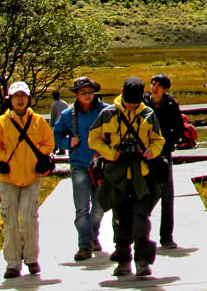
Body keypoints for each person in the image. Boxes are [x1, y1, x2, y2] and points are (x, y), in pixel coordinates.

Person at [88, 76, 165, 278]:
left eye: (135, 103)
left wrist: (151, 151)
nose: (131, 106)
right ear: (122, 95)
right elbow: (93, 139)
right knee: (120, 219)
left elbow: (158, 140)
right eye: (129, 102)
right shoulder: (108, 114)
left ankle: (142, 260)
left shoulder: (148, 114)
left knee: (141, 218)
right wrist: (110, 153)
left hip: (142, 174)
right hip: (117, 173)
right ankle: (123, 259)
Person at [0, 81, 55, 280]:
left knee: (31, 219)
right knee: (11, 221)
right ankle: (13, 264)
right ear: (10, 100)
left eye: (23, 96)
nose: (20, 100)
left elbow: (49, 142)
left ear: (28, 99)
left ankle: (31, 258)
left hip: (32, 177)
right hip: (8, 179)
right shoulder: (1, 123)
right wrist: (2, 160)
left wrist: (38, 157)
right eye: (16, 97)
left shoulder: (39, 122)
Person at [53, 76, 107, 261]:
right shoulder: (68, 115)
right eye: (83, 92)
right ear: (76, 94)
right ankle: (84, 246)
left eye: (90, 92)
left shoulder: (106, 110)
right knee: (82, 208)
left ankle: (92, 235)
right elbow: (56, 135)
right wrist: (68, 142)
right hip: (79, 165)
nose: (87, 95)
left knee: (100, 207)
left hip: (101, 165)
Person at [143, 73, 184, 250]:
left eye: (159, 85)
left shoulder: (171, 104)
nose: (155, 88)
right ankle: (140, 228)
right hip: (144, 154)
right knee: (145, 193)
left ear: (165, 89)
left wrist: (167, 143)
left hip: (164, 154)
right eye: (153, 84)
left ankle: (166, 237)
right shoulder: (142, 103)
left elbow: (179, 129)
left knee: (167, 196)